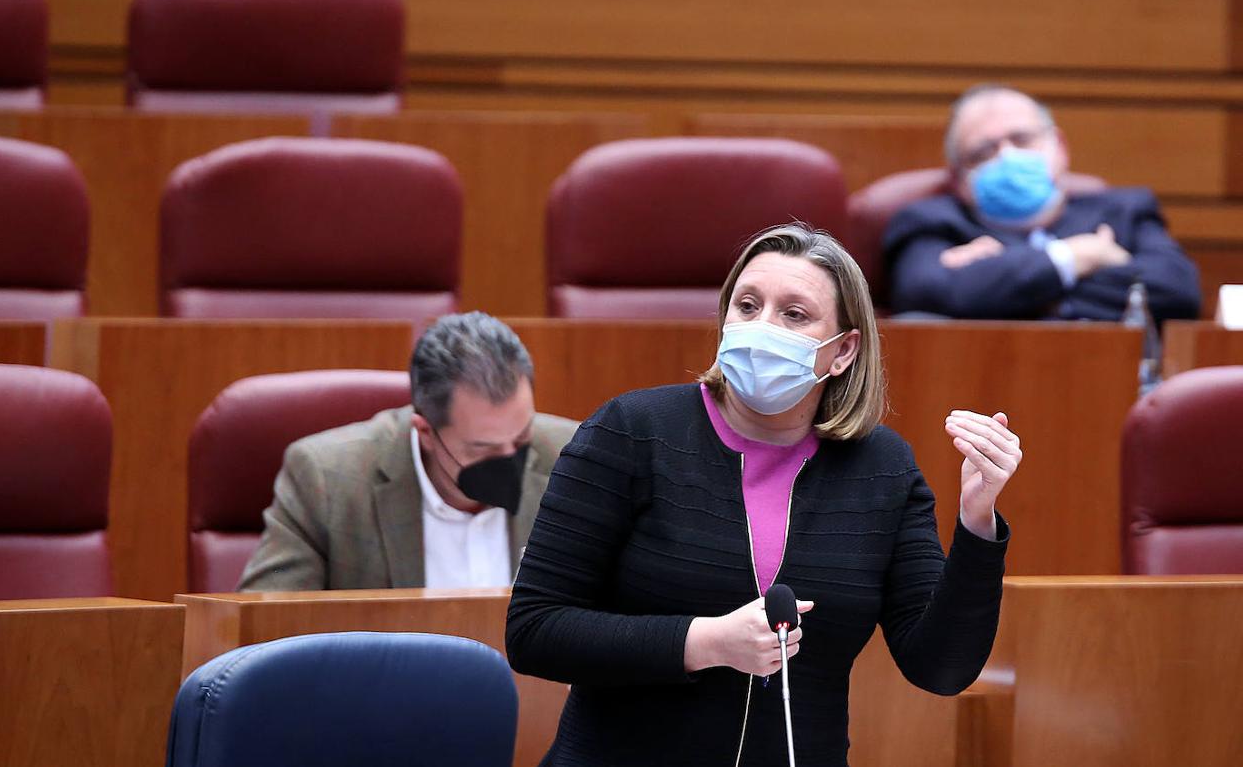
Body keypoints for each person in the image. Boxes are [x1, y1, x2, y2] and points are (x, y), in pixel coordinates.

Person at [506, 223, 1020, 766]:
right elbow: (535, 629)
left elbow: (940, 668)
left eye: (794, 314)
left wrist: (977, 521)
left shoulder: (882, 468)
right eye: (747, 306)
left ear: (843, 351)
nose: (761, 327)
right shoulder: (632, 432)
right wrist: (704, 643)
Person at [239, 312, 578, 591]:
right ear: (426, 432)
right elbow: (263, 629)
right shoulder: (326, 480)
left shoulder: (577, 460)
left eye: (521, 440)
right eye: (482, 448)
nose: (509, 461)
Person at [884, 84, 1201, 321]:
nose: (1007, 156)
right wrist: (1078, 255)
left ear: (1059, 146)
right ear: (958, 179)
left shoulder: (1125, 211)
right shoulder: (930, 221)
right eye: (983, 152)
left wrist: (1000, 288)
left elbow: (1177, 292)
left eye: (1022, 140)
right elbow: (925, 294)